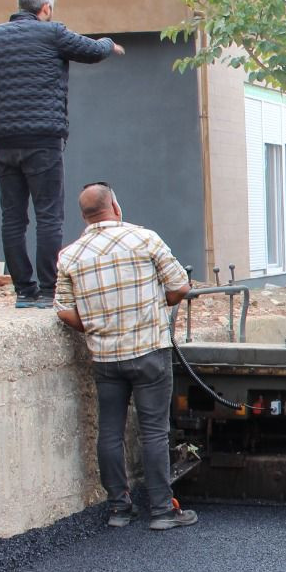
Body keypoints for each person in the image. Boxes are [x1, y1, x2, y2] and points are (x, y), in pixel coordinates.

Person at [0, 0, 124, 310]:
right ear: (46, 9)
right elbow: (91, 51)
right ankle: (50, 290)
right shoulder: (52, 33)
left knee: (13, 217)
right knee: (48, 215)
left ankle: (24, 291)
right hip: (43, 139)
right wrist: (109, 44)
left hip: (4, 141)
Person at [55, 182, 196, 530]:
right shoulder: (145, 239)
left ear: (85, 216)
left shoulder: (70, 255)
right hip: (149, 351)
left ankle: (119, 508)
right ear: (116, 208)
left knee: (110, 431)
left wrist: (95, 326)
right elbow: (180, 287)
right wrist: (152, 308)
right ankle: (162, 511)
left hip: (105, 357)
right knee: (153, 431)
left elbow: (63, 310)